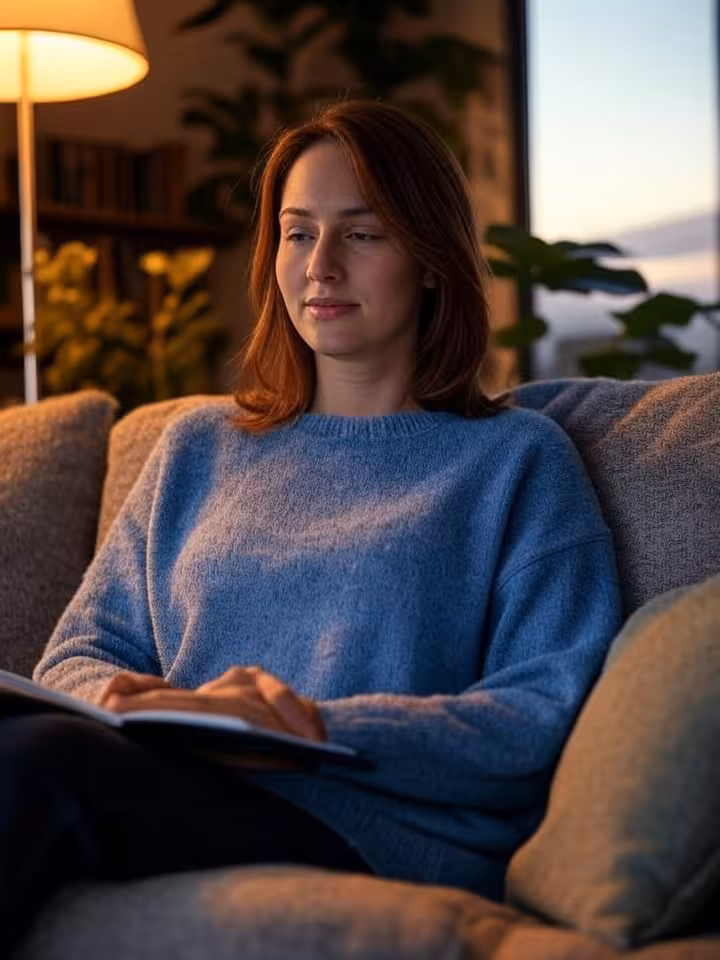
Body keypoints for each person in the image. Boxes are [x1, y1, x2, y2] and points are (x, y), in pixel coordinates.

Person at [2, 100, 621, 950]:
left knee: (36, 770)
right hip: (163, 781)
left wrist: (302, 729)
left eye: (361, 235)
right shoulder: (197, 445)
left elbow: (539, 714)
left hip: (367, 828)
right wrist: (122, 699)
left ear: (431, 260)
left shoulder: (516, 462)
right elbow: (75, 652)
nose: (320, 266)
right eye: (298, 234)